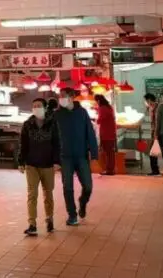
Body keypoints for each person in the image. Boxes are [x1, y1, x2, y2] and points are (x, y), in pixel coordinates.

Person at [54, 88, 98, 226]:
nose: (61, 99)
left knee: (88, 186)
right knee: (67, 187)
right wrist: (54, 158)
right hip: (64, 156)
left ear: (72, 97)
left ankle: (82, 202)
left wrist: (94, 154)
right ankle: (72, 215)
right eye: (60, 96)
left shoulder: (82, 113)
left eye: (64, 96)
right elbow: (53, 138)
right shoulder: (57, 115)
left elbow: (90, 133)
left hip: (81, 155)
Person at [18, 98, 61, 236]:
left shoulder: (52, 124)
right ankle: (32, 224)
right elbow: (23, 144)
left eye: (39, 106)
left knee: (48, 194)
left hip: (48, 164)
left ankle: (49, 219)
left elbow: (57, 144)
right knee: (32, 194)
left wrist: (56, 162)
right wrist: (21, 162)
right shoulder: (27, 124)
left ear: (45, 107)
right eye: (34, 106)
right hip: (31, 165)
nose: (36, 108)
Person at [94, 94, 117, 175]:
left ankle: (109, 170)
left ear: (98, 101)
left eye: (96, 101)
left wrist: (95, 118)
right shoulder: (109, 107)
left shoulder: (102, 108)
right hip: (111, 132)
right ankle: (111, 169)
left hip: (106, 133)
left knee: (108, 152)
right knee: (110, 152)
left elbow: (99, 120)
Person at [144, 93, 162, 176]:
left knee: (153, 153)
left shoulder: (157, 108)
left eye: (146, 101)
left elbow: (157, 122)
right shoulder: (152, 107)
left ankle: (156, 171)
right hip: (155, 132)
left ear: (149, 100)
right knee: (154, 152)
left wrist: (155, 134)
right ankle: (155, 170)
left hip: (158, 133)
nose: (146, 103)